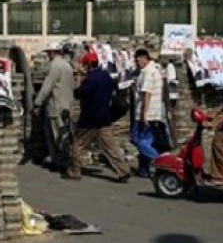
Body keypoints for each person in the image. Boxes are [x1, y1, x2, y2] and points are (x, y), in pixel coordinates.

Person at [64, 52, 131, 182]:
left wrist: (78, 77)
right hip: (105, 117)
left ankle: (74, 171)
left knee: (78, 144)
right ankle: (123, 171)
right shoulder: (105, 76)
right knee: (110, 146)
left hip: (89, 119)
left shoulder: (91, 79)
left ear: (88, 64)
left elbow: (78, 94)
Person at [32, 42, 74, 171]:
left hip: (56, 105)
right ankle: (59, 160)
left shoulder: (55, 66)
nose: (47, 55)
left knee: (56, 135)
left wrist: (37, 102)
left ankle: (62, 162)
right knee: (62, 133)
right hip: (67, 104)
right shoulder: (67, 65)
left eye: (48, 53)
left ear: (52, 52)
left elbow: (47, 86)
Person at [131, 49, 166, 178]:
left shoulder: (148, 72)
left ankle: (160, 161)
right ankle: (143, 169)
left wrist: (143, 114)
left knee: (138, 140)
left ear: (145, 58)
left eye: (138, 60)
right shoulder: (152, 71)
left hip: (148, 113)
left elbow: (147, 94)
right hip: (153, 112)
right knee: (146, 140)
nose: (137, 63)